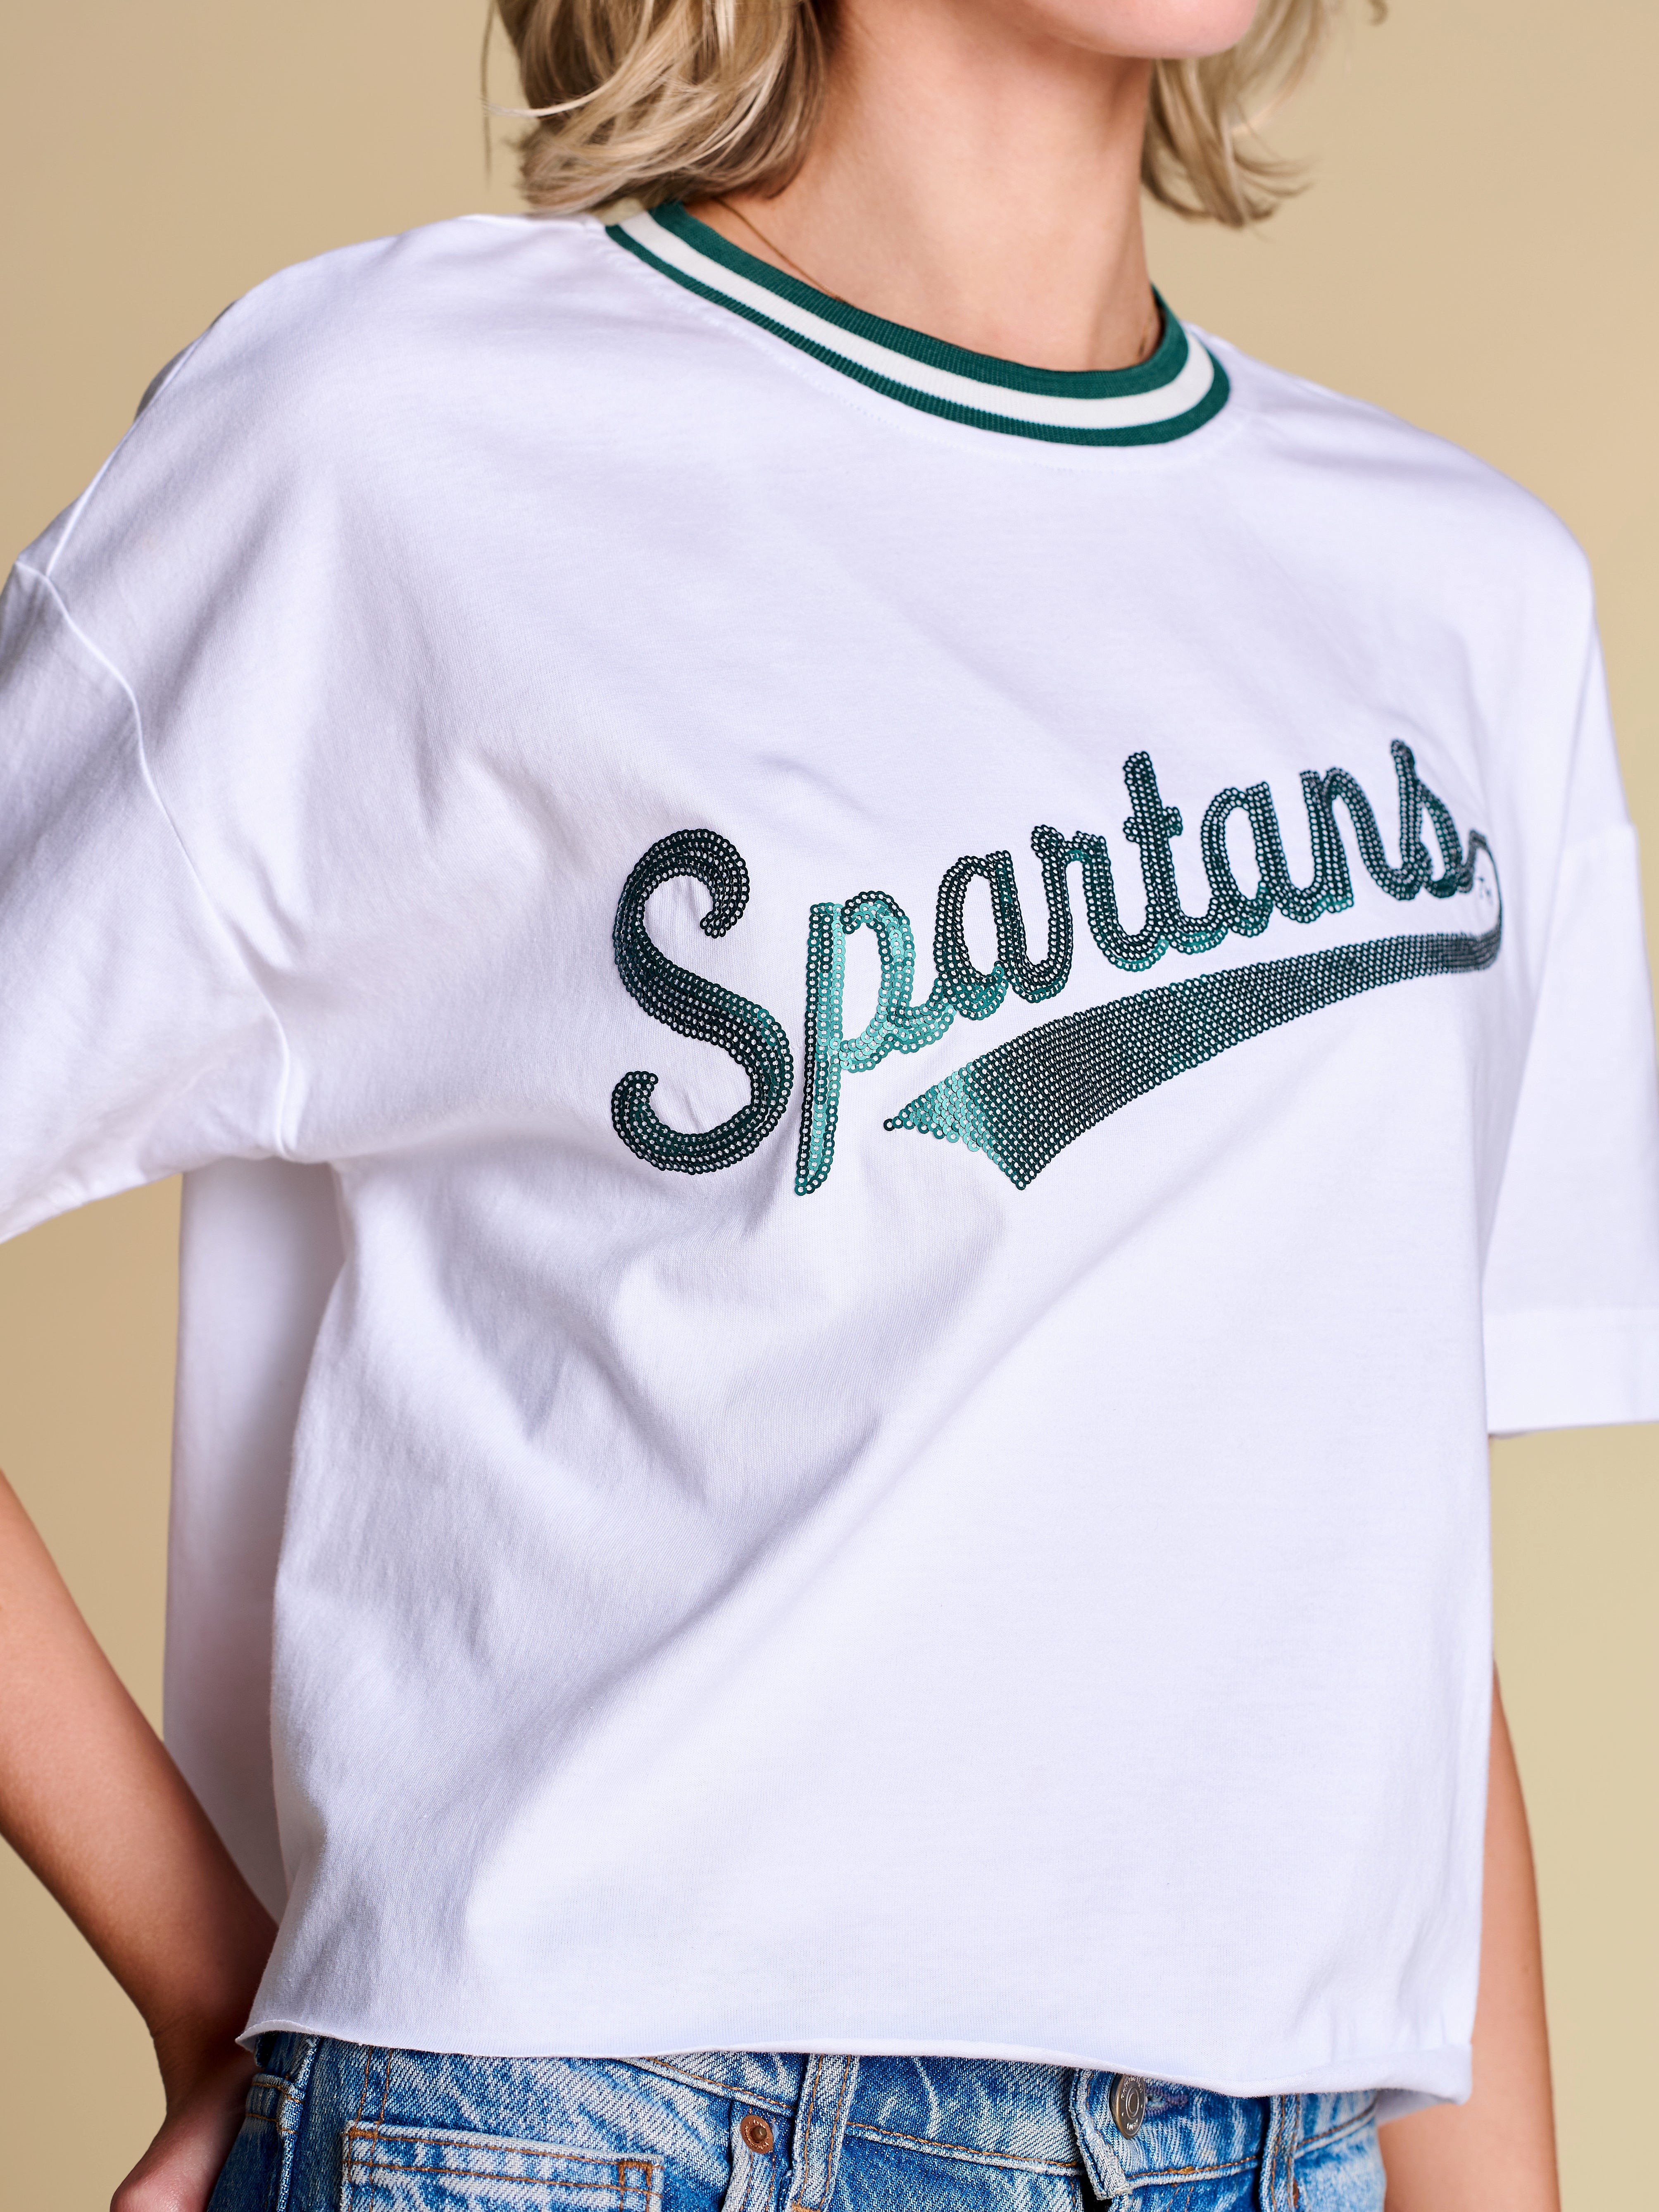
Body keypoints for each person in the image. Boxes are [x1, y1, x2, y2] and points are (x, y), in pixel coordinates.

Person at [1, 0, 1655, 2205]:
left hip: (1268, 2153)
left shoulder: (1466, 596)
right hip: (589, 2131)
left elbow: (1379, 1590)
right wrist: (212, 1979)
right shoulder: (398, 437)